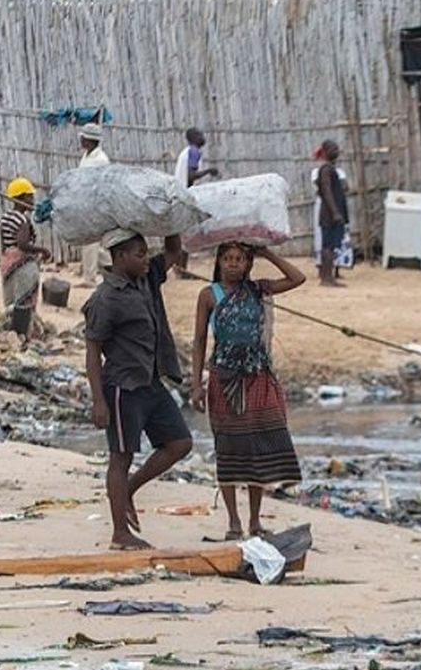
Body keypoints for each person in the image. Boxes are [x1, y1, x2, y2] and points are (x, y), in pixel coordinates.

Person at [83, 229, 194, 551]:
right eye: (139, 254)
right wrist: (98, 401)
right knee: (121, 456)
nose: (147, 259)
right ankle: (120, 533)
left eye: (147, 253)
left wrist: (166, 220)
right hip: (121, 386)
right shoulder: (105, 299)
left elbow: (173, 249)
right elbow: (93, 351)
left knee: (180, 443)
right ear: (120, 258)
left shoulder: (147, 278)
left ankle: (129, 488)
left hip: (151, 380)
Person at [191, 242, 307, 539]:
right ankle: (233, 522)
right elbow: (199, 341)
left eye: (239, 259)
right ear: (218, 262)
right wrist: (195, 385)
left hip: (258, 377)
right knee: (228, 449)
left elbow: (297, 278)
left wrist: (266, 253)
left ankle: (255, 522)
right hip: (223, 379)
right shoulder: (208, 295)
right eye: (227, 259)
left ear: (248, 264)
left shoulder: (258, 290)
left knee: (259, 448)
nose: (232, 264)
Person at [0, 177, 51, 343]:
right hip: (21, 262)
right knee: (24, 298)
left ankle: (11, 331)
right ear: (20, 198)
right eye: (29, 197)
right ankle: (21, 334)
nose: (32, 200)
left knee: (12, 298)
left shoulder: (6, 217)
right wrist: (42, 250)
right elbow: (22, 244)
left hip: (8, 260)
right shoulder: (22, 220)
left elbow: (5, 244)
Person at [78, 123, 111, 283]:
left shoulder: (100, 160)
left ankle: (90, 277)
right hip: (86, 202)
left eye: (83, 137)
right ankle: (111, 267)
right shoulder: (87, 156)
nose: (81, 140)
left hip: (95, 203)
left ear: (90, 140)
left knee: (90, 241)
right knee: (93, 242)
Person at [310, 151, 353, 276]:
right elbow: (325, 189)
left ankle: (336, 270)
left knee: (337, 241)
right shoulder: (321, 171)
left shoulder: (337, 171)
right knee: (325, 241)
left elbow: (345, 187)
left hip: (336, 207)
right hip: (326, 208)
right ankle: (323, 272)